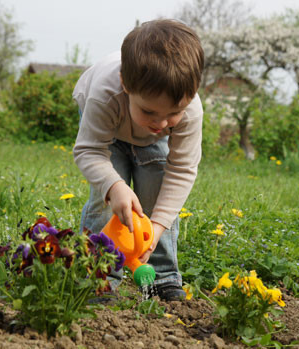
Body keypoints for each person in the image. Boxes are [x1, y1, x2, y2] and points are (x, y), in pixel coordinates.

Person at [73, 19, 204, 301]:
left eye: (173, 113)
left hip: (147, 139)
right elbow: (89, 150)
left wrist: (156, 228)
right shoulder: (104, 96)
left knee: (156, 195)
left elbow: (182, 169)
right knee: (106, 200)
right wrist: (114, 185)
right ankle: (99, 277)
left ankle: (163, 277)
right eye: (149, 112)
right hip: (108, 129)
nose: (161, 122)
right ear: (126, 85)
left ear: (190, 96)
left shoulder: (188, 110)